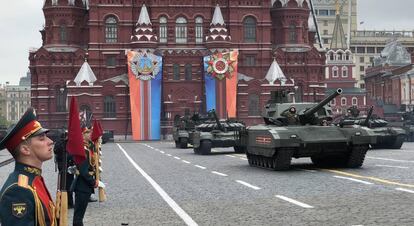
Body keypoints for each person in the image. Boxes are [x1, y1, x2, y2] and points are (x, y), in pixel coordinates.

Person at [0, 107, 57, 226]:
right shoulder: (18, 191)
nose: (50, 141)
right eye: (42, 138)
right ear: (25, 149)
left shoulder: (33, 179)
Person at [72, 127, 98, 226]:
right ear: (82, 135)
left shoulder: (86, 147)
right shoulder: (82, 150)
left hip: (84, 185)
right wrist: (93, 182)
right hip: (82, 185)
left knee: (80, 215)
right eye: (87, 133)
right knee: (78, 216)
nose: (90, 134)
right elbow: (83, 171)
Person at [54, 129, 76, 208]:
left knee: (70, 184)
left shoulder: (67, 143)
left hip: (69, 166)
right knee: (64, 185)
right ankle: (63, 202)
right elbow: (58, 151)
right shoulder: (60, 143)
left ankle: (69, 202)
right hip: (63, 166)